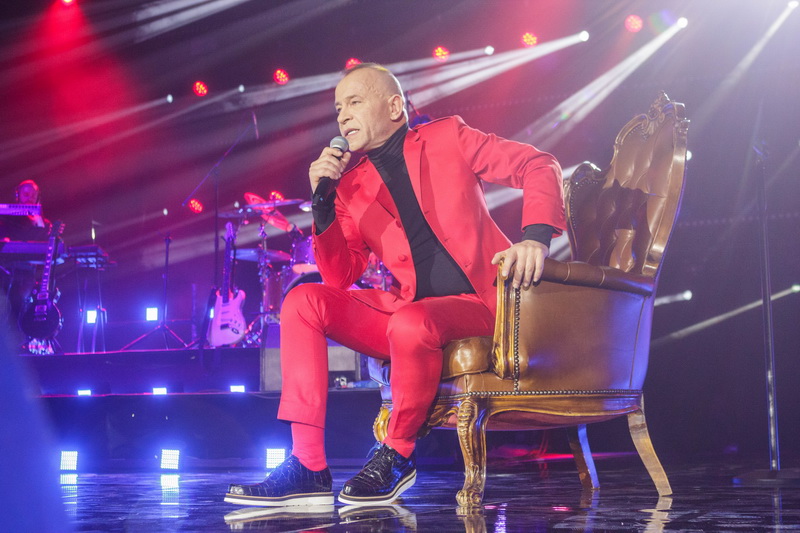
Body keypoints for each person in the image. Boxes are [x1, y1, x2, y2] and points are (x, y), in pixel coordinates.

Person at [225, 63, 566, 507]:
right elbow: (339, 276)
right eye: (338, 108)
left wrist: (535, 238)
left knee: (410, 321)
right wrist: (322, 205)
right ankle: (307, 465)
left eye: (354, 102)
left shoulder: (447, 137)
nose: (343, 115)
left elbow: (538, 163)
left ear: (393, 107)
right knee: (302, 301)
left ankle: (398, 453)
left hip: (484, 302)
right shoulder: (350, 187)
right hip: (411, 309)